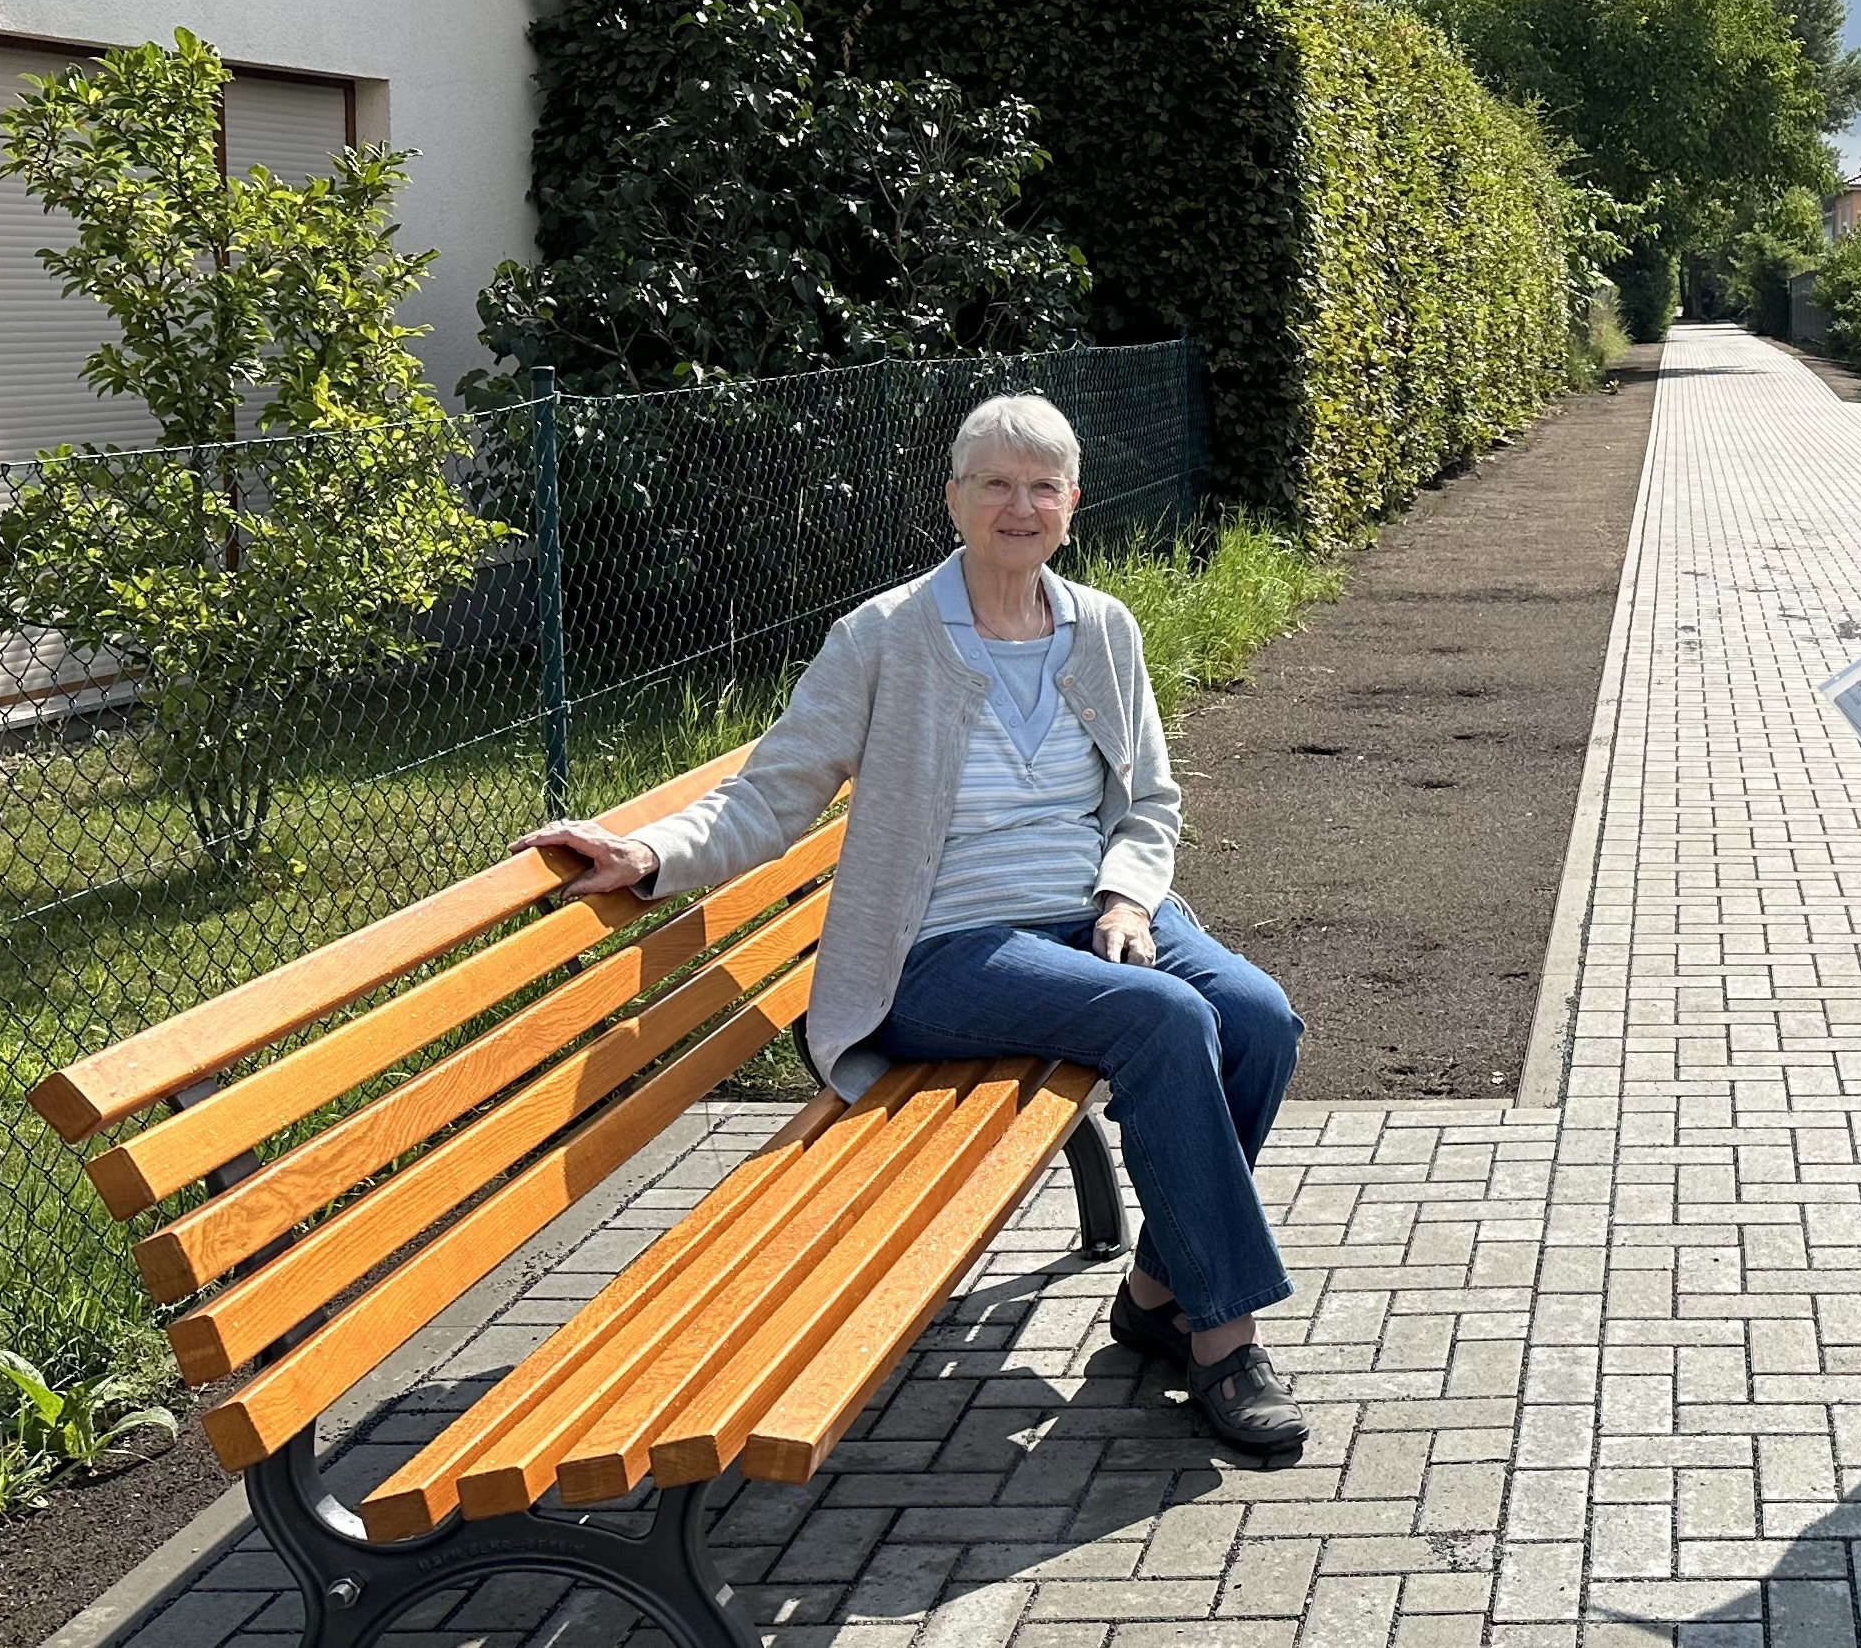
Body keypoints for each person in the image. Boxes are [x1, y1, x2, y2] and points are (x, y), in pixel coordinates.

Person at [516, 394, 1310, 1458]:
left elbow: (1148, 805)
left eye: (1041, 486)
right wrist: (651, 854)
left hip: (1095, 920)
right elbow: (772, 792)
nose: (1019, 506)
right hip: (943, 953)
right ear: (954, 500)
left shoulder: (1104, 629)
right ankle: (1224, 1341)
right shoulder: (885, 637)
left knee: (1257, 1017)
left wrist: (1126, 896)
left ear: (1072, 503)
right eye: (995, 484)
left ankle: (1162, 1289)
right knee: (1164, 1020)